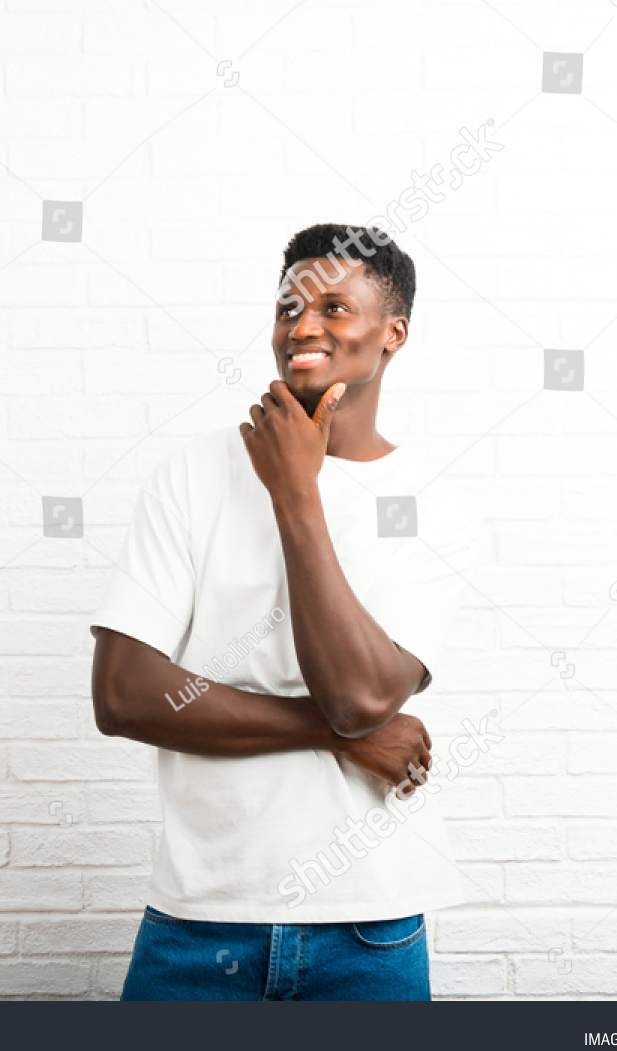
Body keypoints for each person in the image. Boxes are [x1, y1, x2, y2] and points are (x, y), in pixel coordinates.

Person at [90, 224, 483, 1000]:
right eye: (288, 307)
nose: (301, 327)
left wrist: (296, 491)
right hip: (198, 922)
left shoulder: (435, 505)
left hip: (369, 927)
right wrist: (339, 739)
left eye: (335, 307)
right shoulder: (192, 474)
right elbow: (125, 695)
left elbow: (361, 697)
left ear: (392, 332)